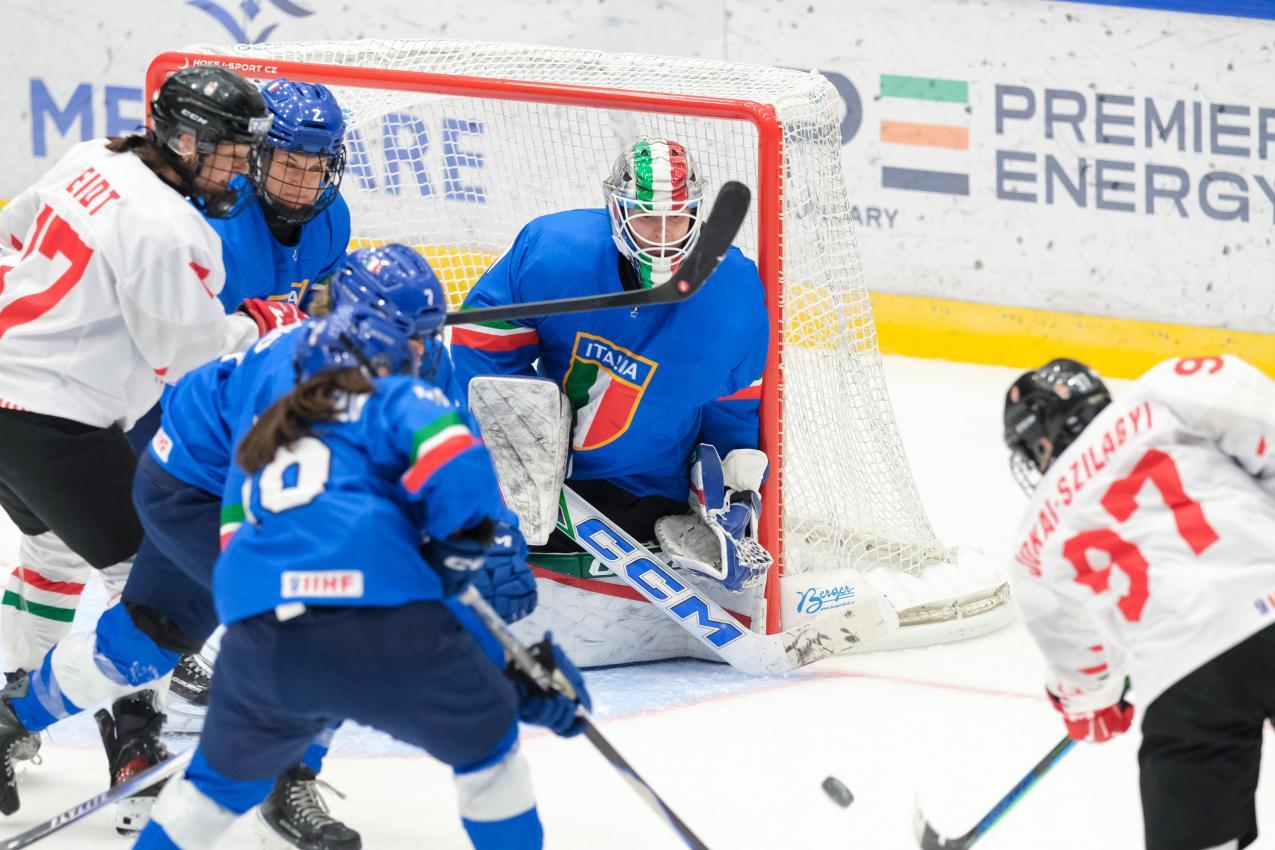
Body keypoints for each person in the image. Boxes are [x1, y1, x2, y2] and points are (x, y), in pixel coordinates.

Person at [0, 246, 516, 847]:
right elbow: (268, 510)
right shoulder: (292, 370)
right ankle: (283, 778)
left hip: (284, 497)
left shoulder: (425, 367)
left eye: (425, 335)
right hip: (193, 491)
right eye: (401, 335)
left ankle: (9, 718)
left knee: (138, 647)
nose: (417, 354)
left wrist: (490, 540)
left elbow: (453, 459)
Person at [132, 306, 589, 850]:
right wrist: (504, 667)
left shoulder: (275, 417)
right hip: (380, 633)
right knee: (490, 754)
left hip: (261, 642)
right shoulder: (403, 400)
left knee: (208, 791)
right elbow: (462, 509)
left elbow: (237, 558)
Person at [0, 62, 303, 793]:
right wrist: (270, 321)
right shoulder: (167, 229)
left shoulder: (95, 156)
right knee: (153, 597)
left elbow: (13, 231)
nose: (241, 171)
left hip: (13, 395)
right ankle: (128, 737)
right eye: (230, 154)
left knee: (52, 552)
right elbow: (190, 357)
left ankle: (17, 694)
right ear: (186, 140)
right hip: (52, 423)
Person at [450, 137, 770, 595]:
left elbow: (733, 403)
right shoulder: (554, 251)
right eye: (646, 220)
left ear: (697, 216)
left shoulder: (733, 295)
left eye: (675, 220)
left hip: (646, 484)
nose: (661, 238)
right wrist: (513, 450)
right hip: (542, 470)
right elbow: (485, 343)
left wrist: (725, 490)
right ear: (617, 212)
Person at [1002, 355, 1275, 850]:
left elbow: (1086, 687)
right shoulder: (1169, 390)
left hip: (1183, 678)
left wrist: (1098, 709)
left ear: (1041, 440)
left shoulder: (1032, 544)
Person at [165, 74, 350, 727]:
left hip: (259, 395)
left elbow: (317, 307)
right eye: (289, 163)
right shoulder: (208, 214)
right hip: (177, 399)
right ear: (258, 156)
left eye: (316, 167)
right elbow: (180, 347)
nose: (302, 183)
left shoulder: (333, 219)